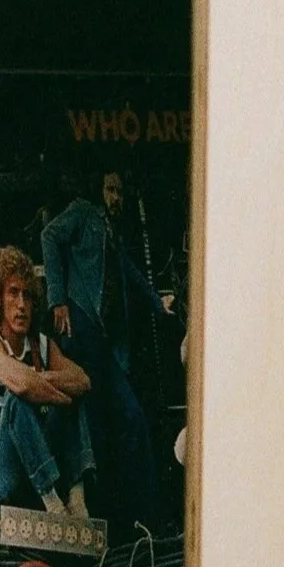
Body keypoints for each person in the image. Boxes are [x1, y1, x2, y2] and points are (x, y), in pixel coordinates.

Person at [41, 167, 174, 527]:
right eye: (112, 190)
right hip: (80, 331)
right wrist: (58, 300)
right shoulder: (83, 212)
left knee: (130, 420)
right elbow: (49, 236)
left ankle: (144, 520)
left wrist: (156, 303)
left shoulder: (114, 234)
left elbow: (129, 271)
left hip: (106, 347)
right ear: (99, 189)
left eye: (122, 192)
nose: (118, 198)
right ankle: (105, 524)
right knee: (94, 429)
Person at [0, 245, 94, 516]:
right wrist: (56, 392)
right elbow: (23, 384)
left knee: (74, 392)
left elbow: (82, 380)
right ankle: (53, 505)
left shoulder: (40, 344)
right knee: (17, 397)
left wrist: (48, 385)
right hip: (2, 466)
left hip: (38, 455)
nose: (21, 304)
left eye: (27, 295)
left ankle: (77, 497)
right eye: (13, 293)